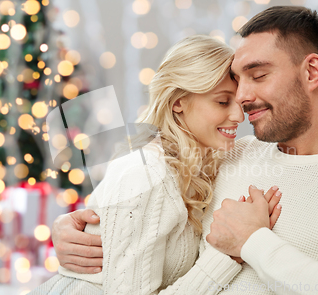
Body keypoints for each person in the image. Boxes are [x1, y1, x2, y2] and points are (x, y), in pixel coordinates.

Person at [50, 6, 318, 294]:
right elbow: (139, 214)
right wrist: (77, 230)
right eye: (236, 82)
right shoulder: (227, 154)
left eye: (258, 76)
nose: (241, 99)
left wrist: (254, 243)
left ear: (311, 72)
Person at [30, 35, 282, 294]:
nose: (239, 116)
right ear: (177, 102)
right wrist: (229, 254)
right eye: (222, 101)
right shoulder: (146, 173)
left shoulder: (198, 167)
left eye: (239, 103)